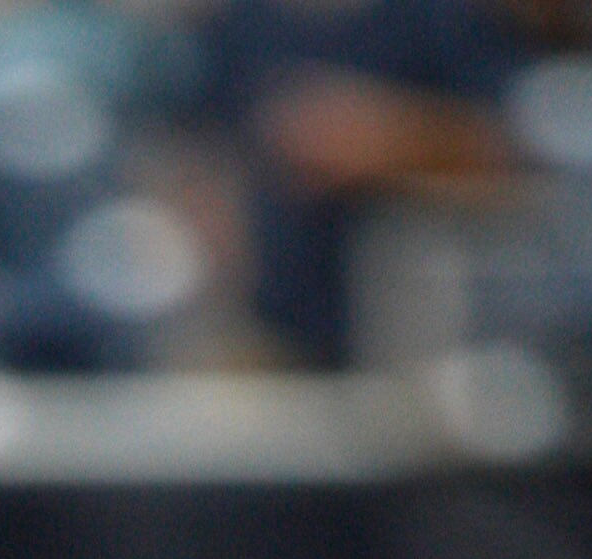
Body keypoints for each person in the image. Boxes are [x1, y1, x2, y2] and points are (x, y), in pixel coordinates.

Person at [200, 0, 529, 366]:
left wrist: (388, 137)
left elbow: (509, 151)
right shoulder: (240, 23)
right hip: (273, 325)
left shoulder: (438, 17)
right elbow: (197, 152)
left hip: (420, 324)